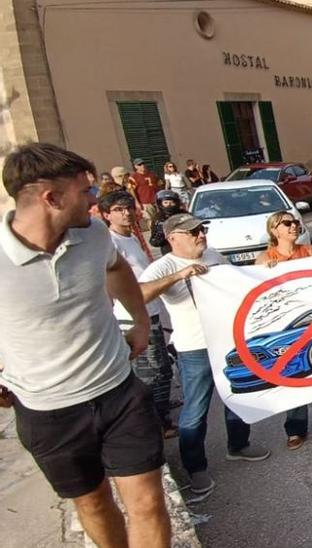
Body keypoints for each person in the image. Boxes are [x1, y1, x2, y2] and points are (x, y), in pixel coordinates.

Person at [0, 144, 171, 547]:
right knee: (93, 503)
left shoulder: (93, 235)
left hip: (119, 392)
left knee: (147, 503)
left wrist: (142, 323)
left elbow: (117, 267)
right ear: (51, 198)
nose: (96, 201)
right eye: (86, 192)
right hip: (48, 412)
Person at [138, 213, 273, 502]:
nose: (201, 235)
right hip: (194, 348)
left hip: (227, 343)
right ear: (173, 238)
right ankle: (195, 467)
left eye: (201, 229)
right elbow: (139, 294)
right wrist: (178, 276)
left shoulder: (213, 255)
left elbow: (239, 281)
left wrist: (263, 266)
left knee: (238, 395)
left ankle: (238, 445)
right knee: (196, 409)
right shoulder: (162, 267)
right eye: (193, 232)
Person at [252, 211, 312, 450]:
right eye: (287, 223)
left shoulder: (307, 251)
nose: (293, 226)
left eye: (295, 222)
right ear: (275, 230)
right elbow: (256, 292)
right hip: (286, 325)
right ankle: (295, 427)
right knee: (293, 373)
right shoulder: (265, 258)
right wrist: (265, 271)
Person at [100, 191, 173, 437]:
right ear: (106, 214)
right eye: (119, 209)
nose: (126, 213)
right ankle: (157, 423)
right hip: (130, 316)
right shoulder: (111, 243)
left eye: (129, 208)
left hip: (151, 310)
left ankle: (161, 413)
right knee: (152, 371)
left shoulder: (131, 237)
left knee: (162, 368)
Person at [128, 158, 163, 232]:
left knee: (159, 218)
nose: (142, 166)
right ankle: (153, 233)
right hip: (145, 201)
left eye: (143, 163)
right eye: (139, 165)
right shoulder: (133, 177)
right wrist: (137, 202)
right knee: (150, 219)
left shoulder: (151, 174)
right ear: (135, 166)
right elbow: (131, 190)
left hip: (156, 199)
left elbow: (159, 183)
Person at [148, 190, 185, 255]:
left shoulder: (184, 215)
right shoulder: (158, 218)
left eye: (172, 202)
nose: (169, 205)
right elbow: (154, 242)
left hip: (186, 248)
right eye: (166, 203)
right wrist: (161, 233)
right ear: (160, 204)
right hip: (169, 252)